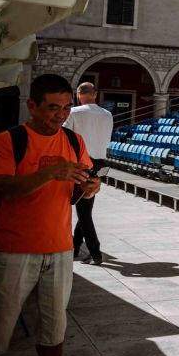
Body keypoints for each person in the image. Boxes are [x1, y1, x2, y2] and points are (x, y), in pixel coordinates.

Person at [0, 74, 101, 356]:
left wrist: (90, 188)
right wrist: (48, 174)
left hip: (58, 248)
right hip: (12, 249)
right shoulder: (8, 141)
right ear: (32, 106)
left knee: (54, 326)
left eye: (66, 107)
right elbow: (2, 190)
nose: (61, 114)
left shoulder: (73, 141)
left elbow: (73, 193)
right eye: (53, 107)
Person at [65, 82, 113, 264]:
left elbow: (64, 135)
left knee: (84, 211)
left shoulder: (74, 113)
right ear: (95, 94)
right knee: (84, 205)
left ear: (78, 94)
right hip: (99, 163)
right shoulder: (107, 114)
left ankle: (95, 251)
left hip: (81, 163)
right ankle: (75, 247)